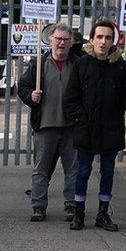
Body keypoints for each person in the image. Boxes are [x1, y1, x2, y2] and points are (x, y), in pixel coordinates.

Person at [63, 19, 126, 231]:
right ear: (92, 39)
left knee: (107, 172)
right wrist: (81, 119)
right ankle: (79, 212)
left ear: (113, 41)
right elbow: (71, 98)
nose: (103, 42)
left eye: (108, 38)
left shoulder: (121, 66)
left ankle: (103, 213)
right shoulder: (81, 64)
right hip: (86, 129)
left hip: (111, 129)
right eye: (99, 37)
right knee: (83, 171)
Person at [17, 22, 80, 222]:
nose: (61, 43)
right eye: (58, 39)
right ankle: (38, 206)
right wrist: (30, 95)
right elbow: (23, 86)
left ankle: (71, 206)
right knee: (41, 169)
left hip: (71, 127)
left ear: (71, 43)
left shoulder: (77, 65)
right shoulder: (38, 64)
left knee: (73, 170)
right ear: (50, 40)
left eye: (65, 40)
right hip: (45, 126)